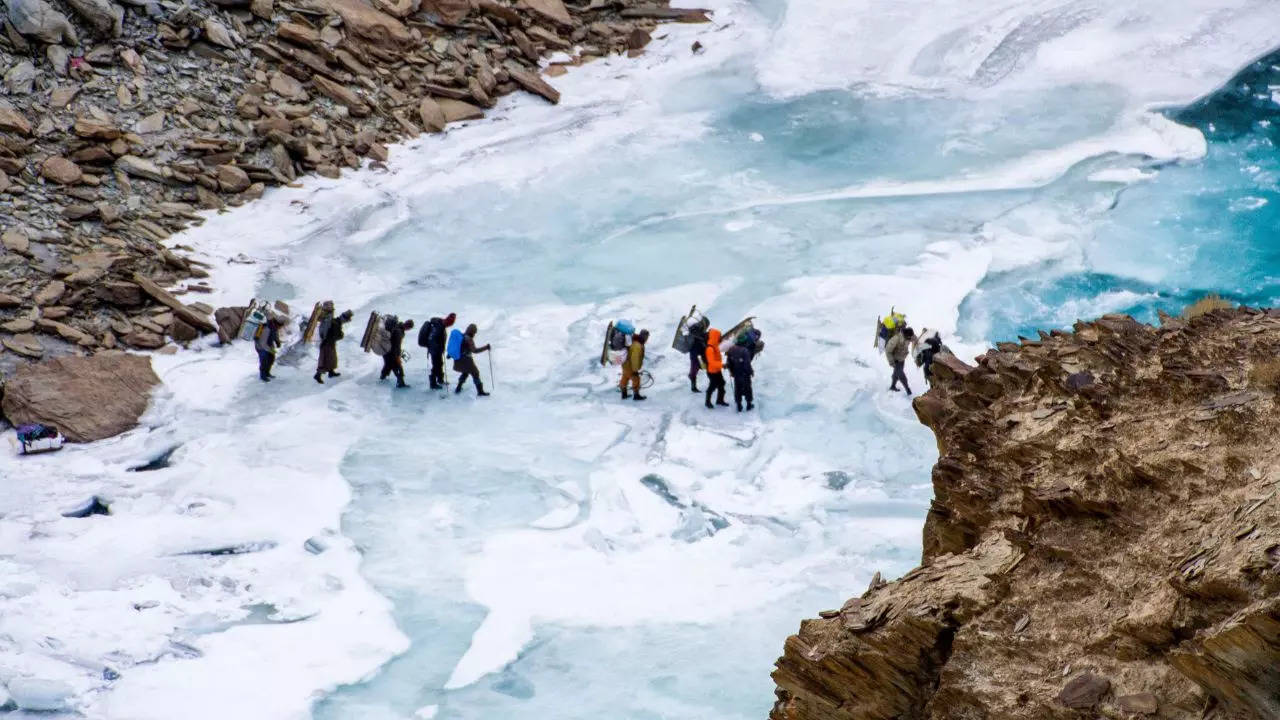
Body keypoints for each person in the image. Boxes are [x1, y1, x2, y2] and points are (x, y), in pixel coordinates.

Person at [314, 303, 353, 384]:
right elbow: (331, 333)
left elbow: (334, 326)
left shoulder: (331, 319)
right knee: (324, 359)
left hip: (330, 342)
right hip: (327, 343)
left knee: (332, 358)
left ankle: (331, 372)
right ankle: (318, 375)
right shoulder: (330, 321)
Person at [454, 323, 491, 396]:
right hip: (466, 360)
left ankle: (458, 388)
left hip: (459, 359)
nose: (475, 334)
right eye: (475, 332)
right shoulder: (469, 339)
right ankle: (480, 391)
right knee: (475, 373)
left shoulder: (461, 336)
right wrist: (486, 347)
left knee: (465, 372)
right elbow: (475, 350)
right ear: (473, 332)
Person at [423, 312, 456, 389]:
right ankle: (433, 383)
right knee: (436, 365)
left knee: (440, 364)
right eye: (450, 324)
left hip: (436, 350)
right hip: (435, 350)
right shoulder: (439, 327)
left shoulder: (440, 325)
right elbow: (433, 339)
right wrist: (439, 348)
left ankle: (440, 379)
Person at [380, 317, 414, 388]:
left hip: (385, 350)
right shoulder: (399, 332)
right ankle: (400, 383)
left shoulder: (397, 327)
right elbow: (396, 346)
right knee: (397, 366)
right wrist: (398, 357)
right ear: (408, 327)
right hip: (390, 352)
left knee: (388, 365)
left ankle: (382, 377)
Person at [726, 333, 755, 412]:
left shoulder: (731, 349)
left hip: (736, 374)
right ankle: (749, 404)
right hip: (745, 374)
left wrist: (731, 372)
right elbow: (747, 364)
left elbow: (729, 362)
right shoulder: (745, 351)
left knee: (737, 389)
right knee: (747, 389)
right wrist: (751, 372)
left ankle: (739, 405)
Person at [620, 329, 649, 401]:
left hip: (625, 364)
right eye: (647, 336)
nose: (647, 338)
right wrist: (635, 370)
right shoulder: (637, 346)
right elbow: (635, 358)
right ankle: (636, 396)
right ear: (644, 336)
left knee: (625, 377)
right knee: (636, 379)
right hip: (630, 366)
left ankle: (624, 394)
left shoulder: (635, 341)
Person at [703, 328, 729, 409]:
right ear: (714, 337)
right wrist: (722, 365)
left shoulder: (715, 347)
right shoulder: (710, 349)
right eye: (719, 336)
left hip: (717, 370)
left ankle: (719, 400)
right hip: (712, 371)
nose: (720, 338)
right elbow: (711, 362)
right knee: (712, 386)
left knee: (722, 384)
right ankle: (707, 402)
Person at [886, 325, 915, 395]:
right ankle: (907, 389)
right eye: (909, 337)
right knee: (901, 375)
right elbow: (888, 351)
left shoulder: (908, 336)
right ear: (905, 335)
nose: (910, 339)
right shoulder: (896, 339)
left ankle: (892, 386)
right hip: (895, 360)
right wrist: (892, 362)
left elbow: (913, 338)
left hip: (902, 359)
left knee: (896, 373)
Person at [255, 316, 282, 382]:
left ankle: (267, 373)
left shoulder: (274, 328)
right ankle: (263, 376)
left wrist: (277, 341)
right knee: (264, 361)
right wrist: (271, 350)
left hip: (268, 344)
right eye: (279, 326)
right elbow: (263, 343)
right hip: (260, 347)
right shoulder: (266, 329)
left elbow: (275, 334)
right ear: (276, 324)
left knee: (271, 359)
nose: (280, 328)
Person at [686, 317, 709, 393]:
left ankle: (693, 383)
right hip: (697, 354)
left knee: (698, 368)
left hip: (697, 354)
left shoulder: (697, 330)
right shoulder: (697, 330)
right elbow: (701, 339)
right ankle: (693, 386)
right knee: (700, 367)